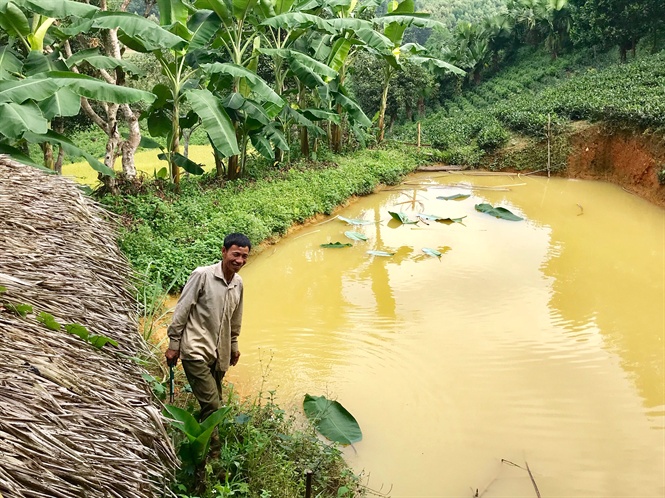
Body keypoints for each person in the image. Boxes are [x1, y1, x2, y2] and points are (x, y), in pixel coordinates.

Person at [165, 233, 251, 420]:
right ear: (223, 251)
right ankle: (213, 449)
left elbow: (235, 318)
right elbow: (182, 309)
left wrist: (233, 346)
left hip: (220, 352)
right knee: (212, 405)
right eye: (235, 254)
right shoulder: (202, 275)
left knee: (215, 401)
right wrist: (174, 344)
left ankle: (198, 439)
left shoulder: (238, 283)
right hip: (196, 349)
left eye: (244, 256)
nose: (239, 260)